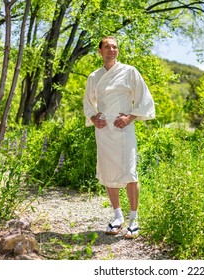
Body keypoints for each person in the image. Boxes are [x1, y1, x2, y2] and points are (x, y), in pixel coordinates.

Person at [83, 36, 155, 239]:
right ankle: (117, 216)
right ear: (100, 51)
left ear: (118, 51)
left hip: (124, 127)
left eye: (114, 47)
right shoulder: (94, 77)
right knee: (108, 171)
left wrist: (130, 117)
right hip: (104, 129)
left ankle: (134, 218)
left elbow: (145, 98)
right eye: (107, 46)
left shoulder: (130, 71)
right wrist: (93, 117)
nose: (111, 50)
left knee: (130, 172)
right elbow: (88, 103)